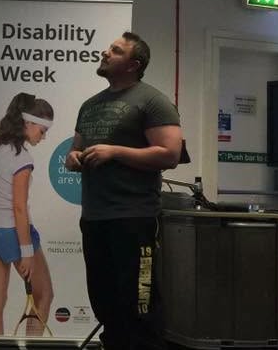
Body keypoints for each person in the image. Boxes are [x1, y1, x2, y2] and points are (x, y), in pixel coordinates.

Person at [65, 32, 183, 350]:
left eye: (115, 50)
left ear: (134, 64)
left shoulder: (152, 101)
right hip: (95, 216)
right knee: (105, 302)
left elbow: (169, 154)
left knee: (139, 303)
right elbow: (73, 152)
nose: (105, 52)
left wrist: (114, 152)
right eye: (108, 48)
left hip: (134, 218)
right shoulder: (90, 106)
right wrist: (75, 158)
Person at [0, 92, 55, 336]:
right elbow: (19, 207)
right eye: (42, 130)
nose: (43, 137)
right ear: (28, 122)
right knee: (44, 295)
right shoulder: (21, 158)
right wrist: (25, 252)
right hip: (15, 234)